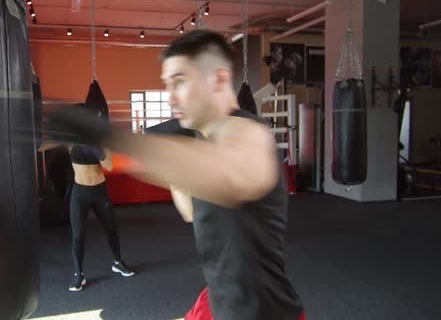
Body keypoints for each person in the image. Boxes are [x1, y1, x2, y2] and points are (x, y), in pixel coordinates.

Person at [46, 30, 304, 319]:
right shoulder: (204, 139)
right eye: (166, 85)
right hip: (219, 300)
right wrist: (178, 158)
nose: (170, 98)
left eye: (179, 82)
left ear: (218, 78)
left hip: (262, 312)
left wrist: (102, 135)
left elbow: (231, 174)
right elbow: (191, 212)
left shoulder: (248, 133)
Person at [40, 104, 135, 293]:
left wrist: (97, 150)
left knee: (112, 231)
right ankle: (78, 274)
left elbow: (108, 165)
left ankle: (118, 262)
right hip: (80, 193)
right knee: (78, 236)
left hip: (100, 192)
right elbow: (43, 146)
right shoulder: (70, 141)